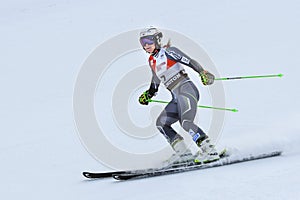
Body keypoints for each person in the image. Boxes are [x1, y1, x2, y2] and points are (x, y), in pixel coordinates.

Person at [138, 26, 219, 164]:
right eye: (143, 42)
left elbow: (190, 61)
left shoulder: (169, 52)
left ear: (157, 40)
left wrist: (202, 73)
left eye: (149, 41)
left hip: (186, 90)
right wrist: (149, 94)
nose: (146, 45)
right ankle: (184, 154)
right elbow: (156, 80)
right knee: (161, 124)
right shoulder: (152, 61)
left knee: (186, 122)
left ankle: (209, 150)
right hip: (176, 96)